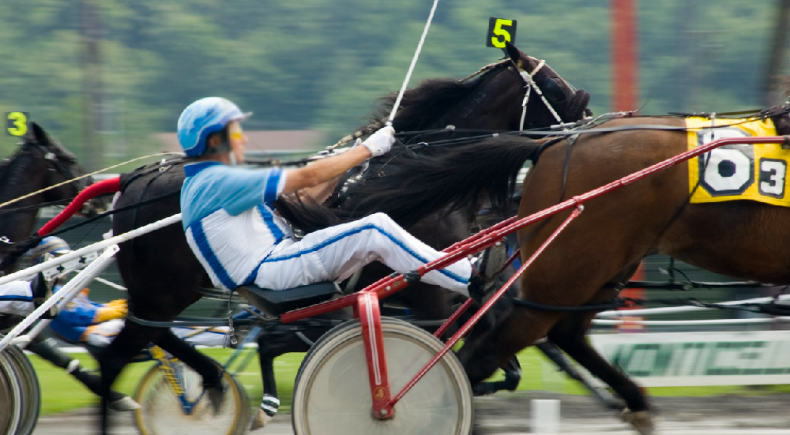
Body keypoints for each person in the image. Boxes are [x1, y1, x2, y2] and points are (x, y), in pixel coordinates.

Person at [178, 97, 500, 302]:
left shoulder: (203, 182)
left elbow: (302, 198)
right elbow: (306, 177)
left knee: (372, 235)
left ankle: (458, 273)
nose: (243, 139)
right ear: (215, 139)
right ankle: (469, 278)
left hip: (272, 266)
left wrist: (354, 161)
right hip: (272, 269)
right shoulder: (219, 181)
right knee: (375, 229)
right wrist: (367, 149)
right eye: (235, 132)